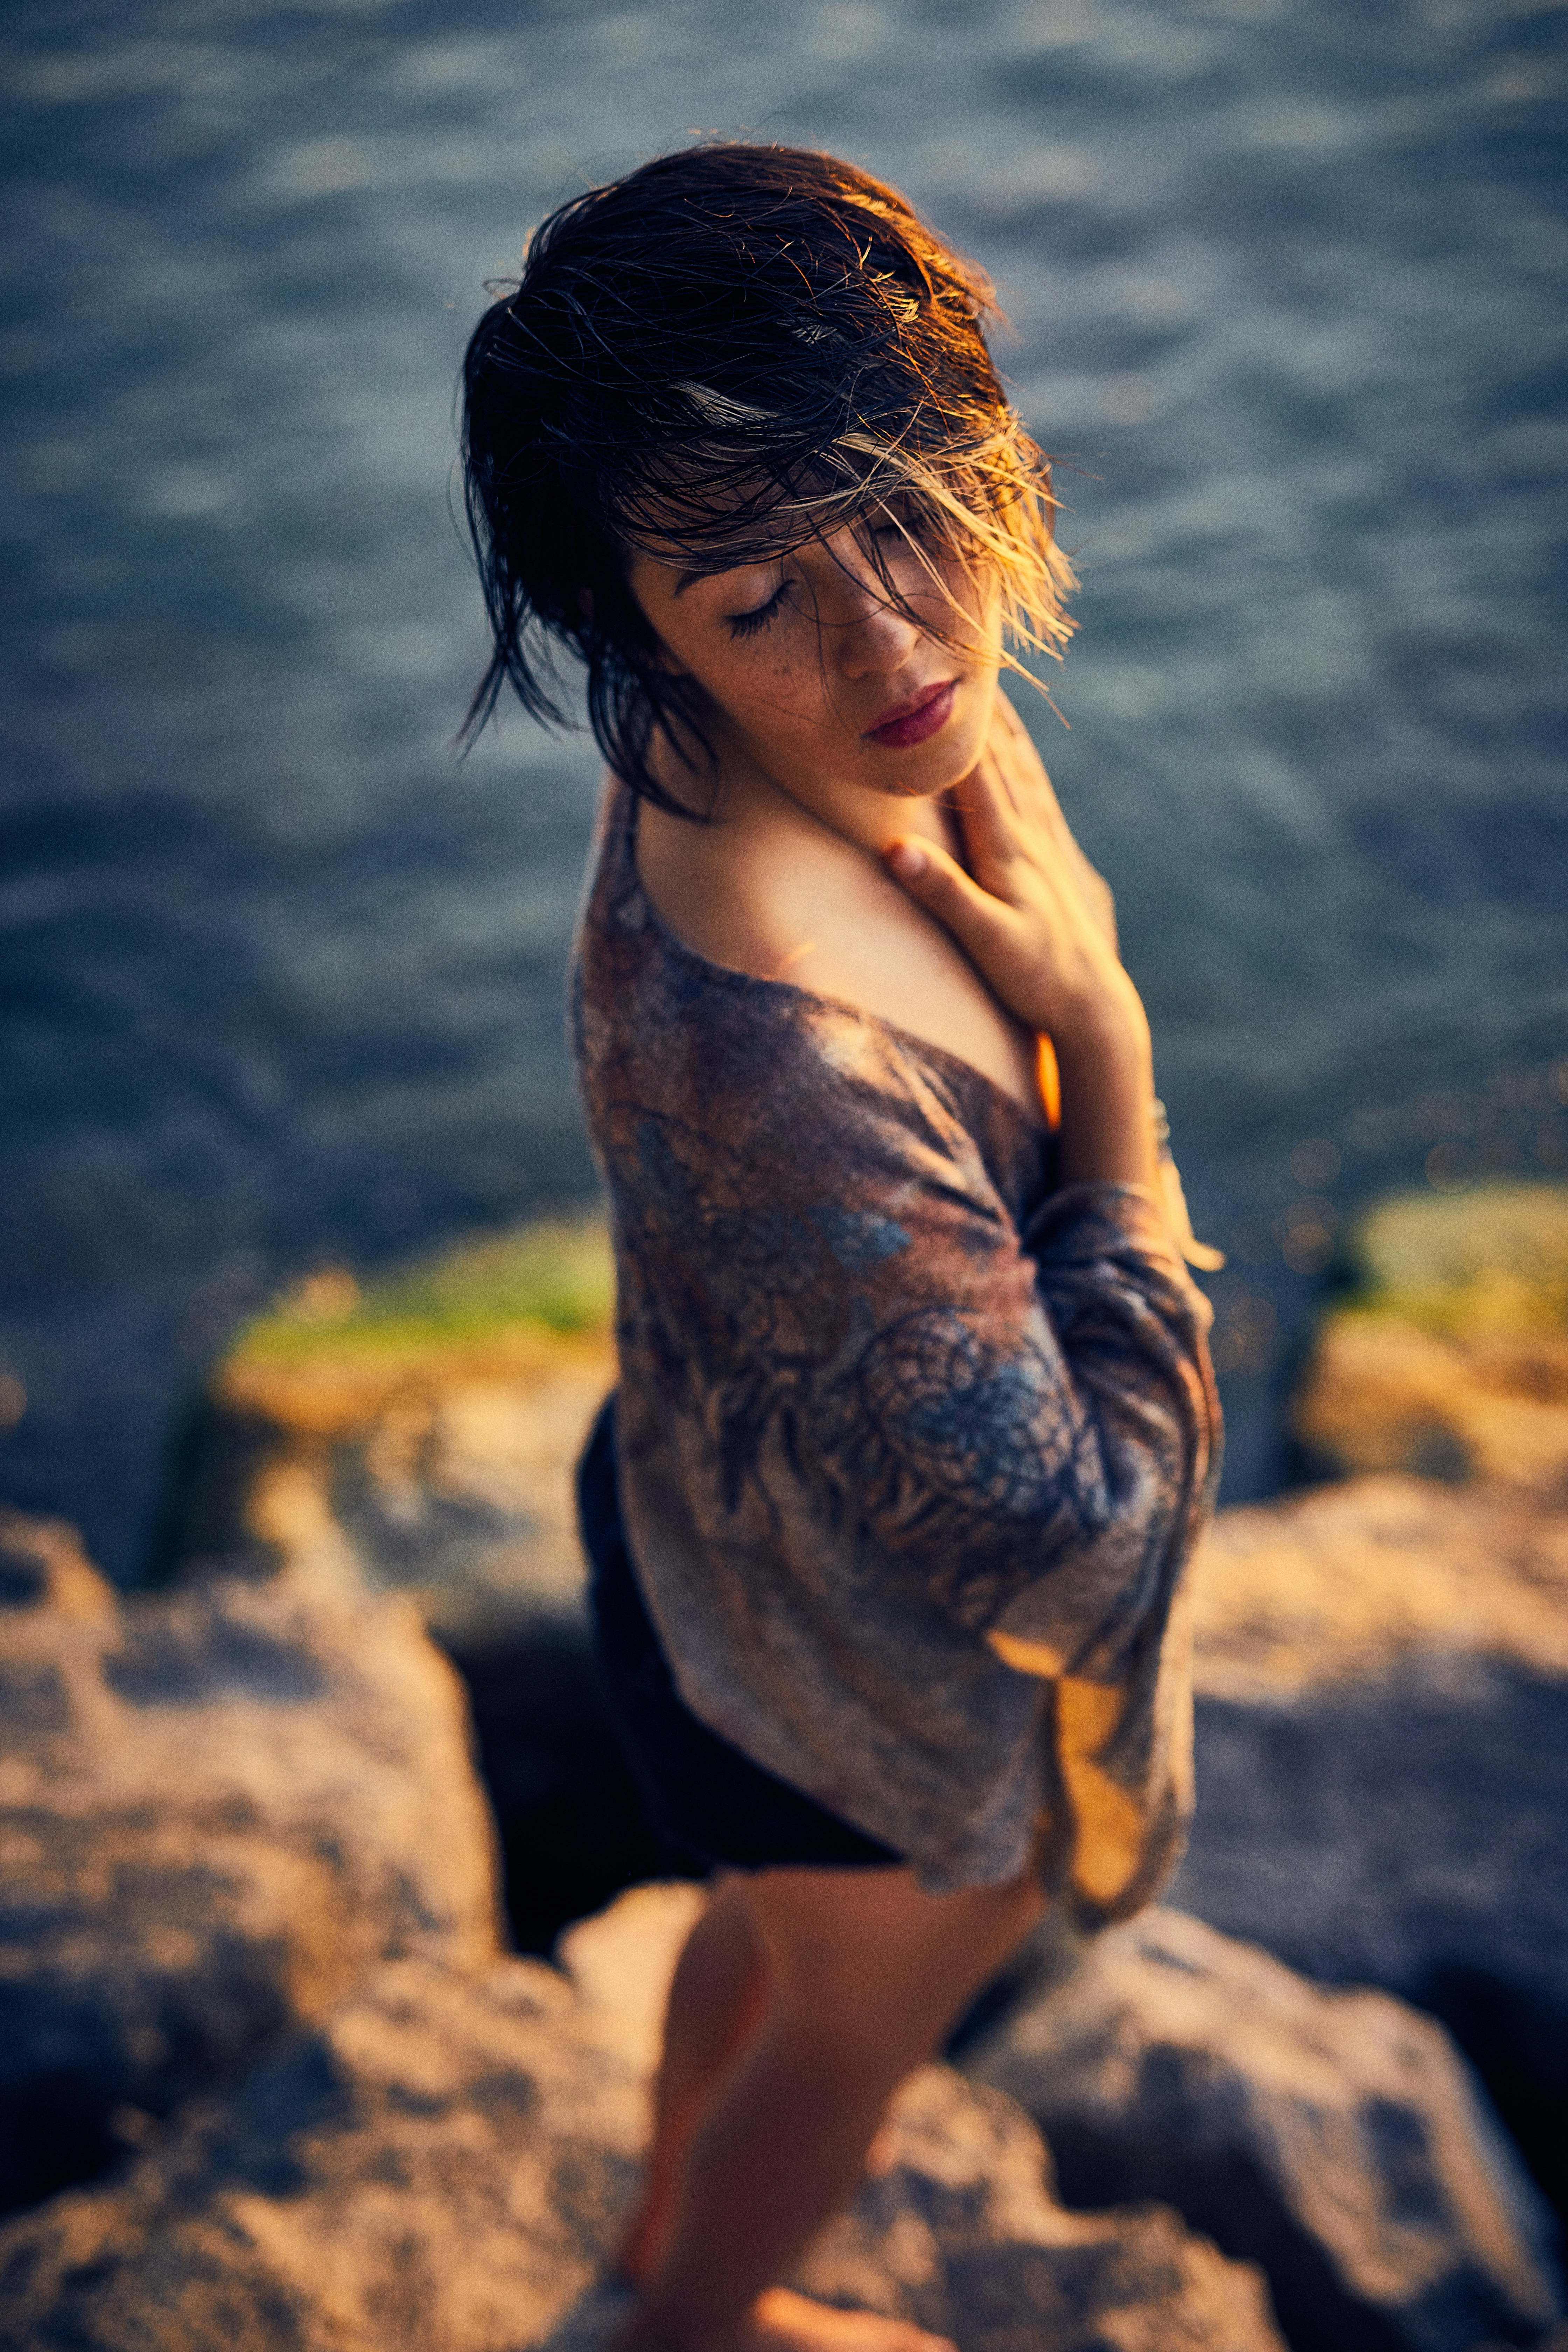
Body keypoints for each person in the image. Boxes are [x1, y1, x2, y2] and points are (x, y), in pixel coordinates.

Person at [461, 143, 1222, 2352]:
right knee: (855, 2038)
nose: (897, 637)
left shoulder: (766, 752)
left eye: (908, 501)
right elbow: (1077, 1555)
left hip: (710, 1564)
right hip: (864, 1703)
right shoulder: (784, 1077)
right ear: (640, 634)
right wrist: (1115, 1058)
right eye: (758, 594)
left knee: (768, 1938)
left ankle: (640, 2266)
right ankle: (689, 2326)